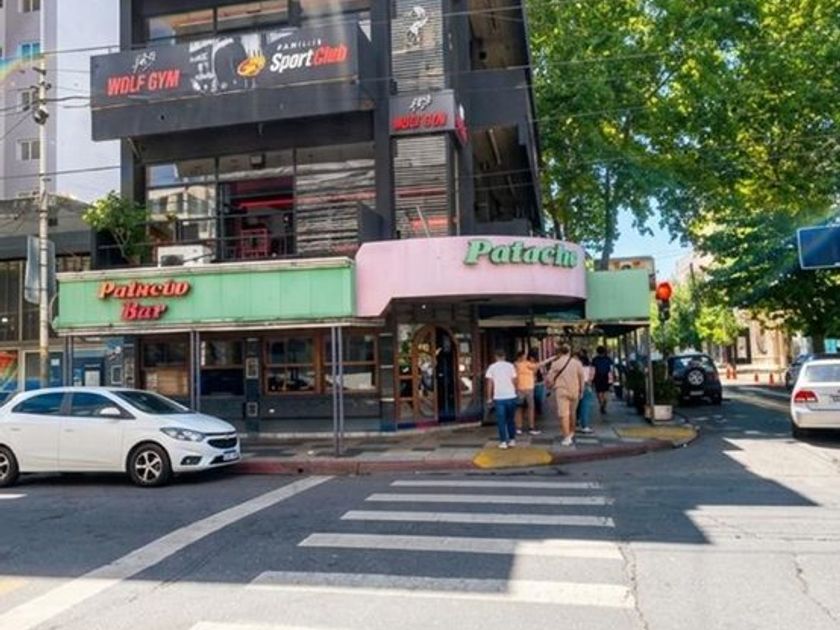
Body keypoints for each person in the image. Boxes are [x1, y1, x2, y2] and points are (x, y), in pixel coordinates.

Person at [546, 344, 586, 446]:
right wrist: (582, 391)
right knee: (573, 412)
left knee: (564, 414)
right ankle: (572, 431)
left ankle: (566, 437)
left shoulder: (555, 363)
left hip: (561, 391)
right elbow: (582, 378)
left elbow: (549, 379)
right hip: (574, 390)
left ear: (559, 352)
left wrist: (550, 385)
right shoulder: (577, 363)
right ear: (569, 352)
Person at [485, 349, 518, 449]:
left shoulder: (492, 367)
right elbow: (515, 380)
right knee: (511, 419)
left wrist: (489, 397)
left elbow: (489, 383)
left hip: (499, 397)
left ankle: (503, 441)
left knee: (501, 421)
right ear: (504, 356)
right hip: (511, 396)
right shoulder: (510, 366)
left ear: (496, 357)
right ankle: (512, 440)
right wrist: (515, 391)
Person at [514, 350, 542, 436]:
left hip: (520, 388)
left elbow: (515, 378)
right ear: (521, 356)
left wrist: (515, 388)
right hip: (528, 388)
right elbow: (538, 367)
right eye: (524, 356)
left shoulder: (515, 365)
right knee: (530, 408)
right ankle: (531, 427)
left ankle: (518, 428)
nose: (525, 357)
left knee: (519, 408)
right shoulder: (527, 364)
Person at [576, 349, 596, 434]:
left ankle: (575, 421)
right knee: (585, 407)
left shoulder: (576, 368)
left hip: (575, 387)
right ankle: (584, 425)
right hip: (586, 387)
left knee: (576, 405)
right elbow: (591, 379)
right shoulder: (591, 368)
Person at [592, 345, 614, 415]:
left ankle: (601, 403)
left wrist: (592, 379)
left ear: (597, 352)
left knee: (599, 392)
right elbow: (611, 370)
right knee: (605, 392)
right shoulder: (608, 359)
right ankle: (604, 404)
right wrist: (612, 379)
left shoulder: (595, 359)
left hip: (597, 377)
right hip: (606, 377)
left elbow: (593, 370)